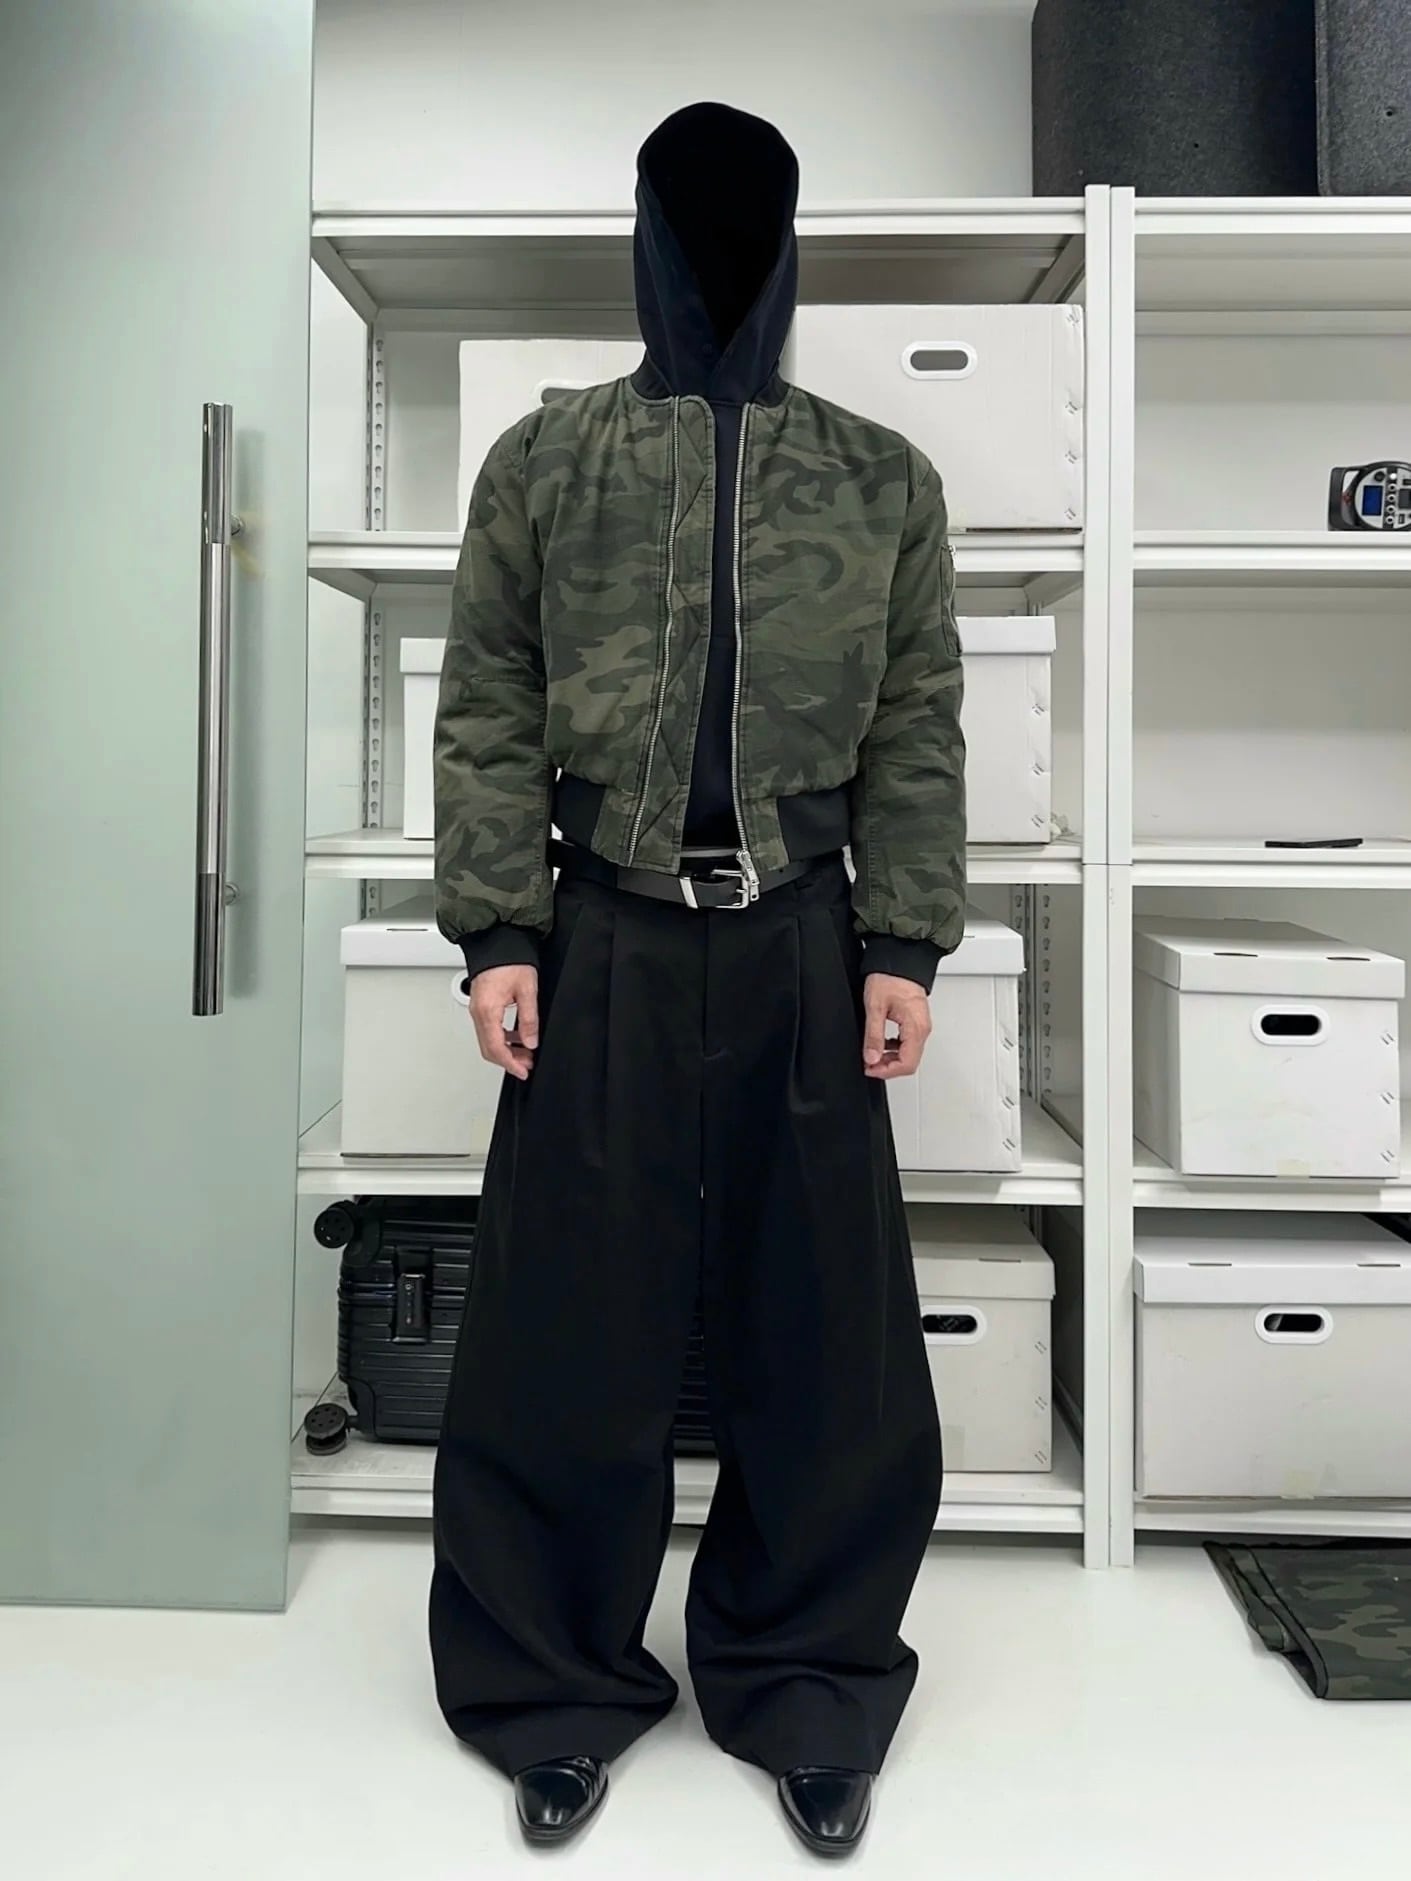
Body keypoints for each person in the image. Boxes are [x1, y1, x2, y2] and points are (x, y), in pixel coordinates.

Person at [428, 99, 965, 1859]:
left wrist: (903, 941)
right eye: (694, 222)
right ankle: (551, 1685)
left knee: (830, 1334)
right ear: (650, 241)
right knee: (564, 1326)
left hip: (807, 932)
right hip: (605, 933)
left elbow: (918, 724)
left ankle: (808, 1676)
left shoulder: (882, 479)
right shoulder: (550, 461)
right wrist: (501, 931)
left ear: (785, 249)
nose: (720, 259)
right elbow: (489, 701)